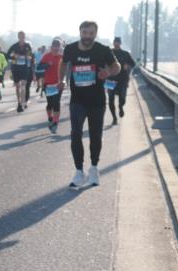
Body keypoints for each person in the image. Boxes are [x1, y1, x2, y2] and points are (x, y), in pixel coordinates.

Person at [60, 21, 120, 189]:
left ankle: (94, 168)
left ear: (95, 33)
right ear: (80, 32)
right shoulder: (71, 49)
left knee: (95, 135)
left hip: (97, 100)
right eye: (85, 32)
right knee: (76, 134)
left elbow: (117, 66)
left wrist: (108, 72)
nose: (87, 36)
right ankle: (79, 171)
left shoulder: (103, 50)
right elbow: (64, 64)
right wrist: (61, 80)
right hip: (77, 100)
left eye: (91, 33)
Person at [107, 37, 136, 125]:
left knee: (122, 98)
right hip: (110, 79)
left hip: (122, 79)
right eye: (115, 42)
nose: (116, 44)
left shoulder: (125, 54)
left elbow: (133, 63)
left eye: (118, 42)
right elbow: (101, 63)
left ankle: (120, 106)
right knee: (110, 100)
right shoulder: (108, 53)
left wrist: (128, 65)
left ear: (120, 44)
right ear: (113, 43)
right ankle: (114, 118)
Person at [41, 39, 65, 133]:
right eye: (54, 46)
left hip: (58, 84)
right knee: (50, 104)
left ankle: (55, 123)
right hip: (48, 84)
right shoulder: (46, 56)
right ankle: (50, 118)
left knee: (56, 103)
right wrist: (47, 65)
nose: (56, 48)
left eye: (57, 46)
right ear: (51, 47)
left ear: (59, 47)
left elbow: (67, 68)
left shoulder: (62, 57)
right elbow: (39, 67)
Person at [6, 31, 34, 112]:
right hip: (16, 68)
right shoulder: (14, 46)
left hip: (25, 68)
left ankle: (23, 102)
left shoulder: (27, 46)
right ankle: (19, 103)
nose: (21, 37)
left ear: (25, 37)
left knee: (23, 85)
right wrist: (14, 57)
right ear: (18, 37)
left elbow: (30, 56)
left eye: (23, 36)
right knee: (17, 86)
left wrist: (26, 56)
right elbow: (8, 55)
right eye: (20, 36)